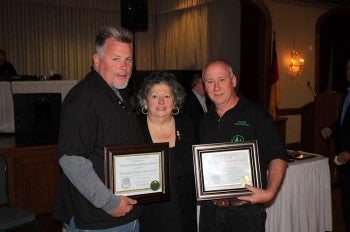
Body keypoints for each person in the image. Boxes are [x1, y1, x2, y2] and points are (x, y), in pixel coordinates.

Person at [53, 26, 144, 231]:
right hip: (97, 220)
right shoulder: (82, 99)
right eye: (116, 59)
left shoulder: (118, 94)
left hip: (121, 217)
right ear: (97, 60)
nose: (124, 67)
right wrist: (109, 202)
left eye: (128, 60)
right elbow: (72, 159)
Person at [198, 60, 288, 232]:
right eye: (210, 81)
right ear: (205, 86)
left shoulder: (256, 114)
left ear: (233, 81)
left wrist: (270, 193)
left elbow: (278, 155)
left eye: (222, 80)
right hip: (210, 211)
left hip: (245, 212)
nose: (216, 87)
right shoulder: (205, 120)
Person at [136, 72, 197, 232]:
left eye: (167, 96)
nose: (161, 102)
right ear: (145, 101)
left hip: (184, 213)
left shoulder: (187, 125)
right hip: (147, 216)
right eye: (155, 96)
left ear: (175, 100)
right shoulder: (133, 128)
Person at [321, 57, 350, 231]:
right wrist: (331, 129)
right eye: (347, 68)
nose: (349, 72)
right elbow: (343, 123)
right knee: (346, 202)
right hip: (344, 159)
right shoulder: (347, 93)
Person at [182, 72, 211, 140]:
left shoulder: (208, 98)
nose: (206, 86)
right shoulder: (187, 100)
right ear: (196, 84)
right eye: (203, 83)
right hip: (195, 137)